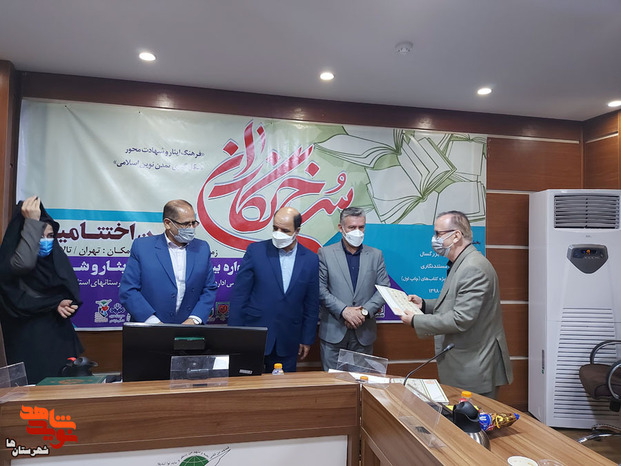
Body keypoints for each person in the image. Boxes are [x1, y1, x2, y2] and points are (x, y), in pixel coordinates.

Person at [400, 210, 513, 399]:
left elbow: (461, 318)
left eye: (438, 234)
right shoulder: (462, 262)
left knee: (473, 417)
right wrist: (424, 305)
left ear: (456, 236)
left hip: (475, 366)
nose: (434, 239)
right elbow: (455, 302)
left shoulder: (473, 267)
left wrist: (416, 320)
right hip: (466, 363)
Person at [0, 196, 83, 384]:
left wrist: (60, 304)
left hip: (58, 340)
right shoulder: (8, 266)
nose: (46, 241)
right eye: (39, 235)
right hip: (27, 342)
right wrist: (31, 222)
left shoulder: (54, 263)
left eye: (50, 236)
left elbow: (69, 292)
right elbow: (23, 265)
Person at [228, 207, 319, 373]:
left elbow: (311, 304)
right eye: (275, 228)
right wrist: (235, 334)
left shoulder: (311, 259)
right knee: (248, 385)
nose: (278, 234)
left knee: (283, 388)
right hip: (254, 336)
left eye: (285, 230)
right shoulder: (256, 251)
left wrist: (307, 338)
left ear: (297, 231)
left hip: (288, 339)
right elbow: (240, 295)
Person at [119, 199, 217, 324]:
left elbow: (209, 288)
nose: (191, 228)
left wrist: (193, 320)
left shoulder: (202, 248)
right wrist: (154, 323)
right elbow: (128, 290)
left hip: (189, 329)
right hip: (149, 328)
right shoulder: (142, 247)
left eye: (194, 223)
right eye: (186, 224)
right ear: (167, 223)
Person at [318, 207, 389, 370]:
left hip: (363, 333)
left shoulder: (376, 255)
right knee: (334, 383)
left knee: (360, 382)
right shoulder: (325, 254)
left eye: (361, 227)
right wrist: (344, 311)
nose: (357, 232)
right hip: (333, 332)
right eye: (352, 227)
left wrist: (363, 312)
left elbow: (384, 288)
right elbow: (320, 289)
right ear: (341, 228)